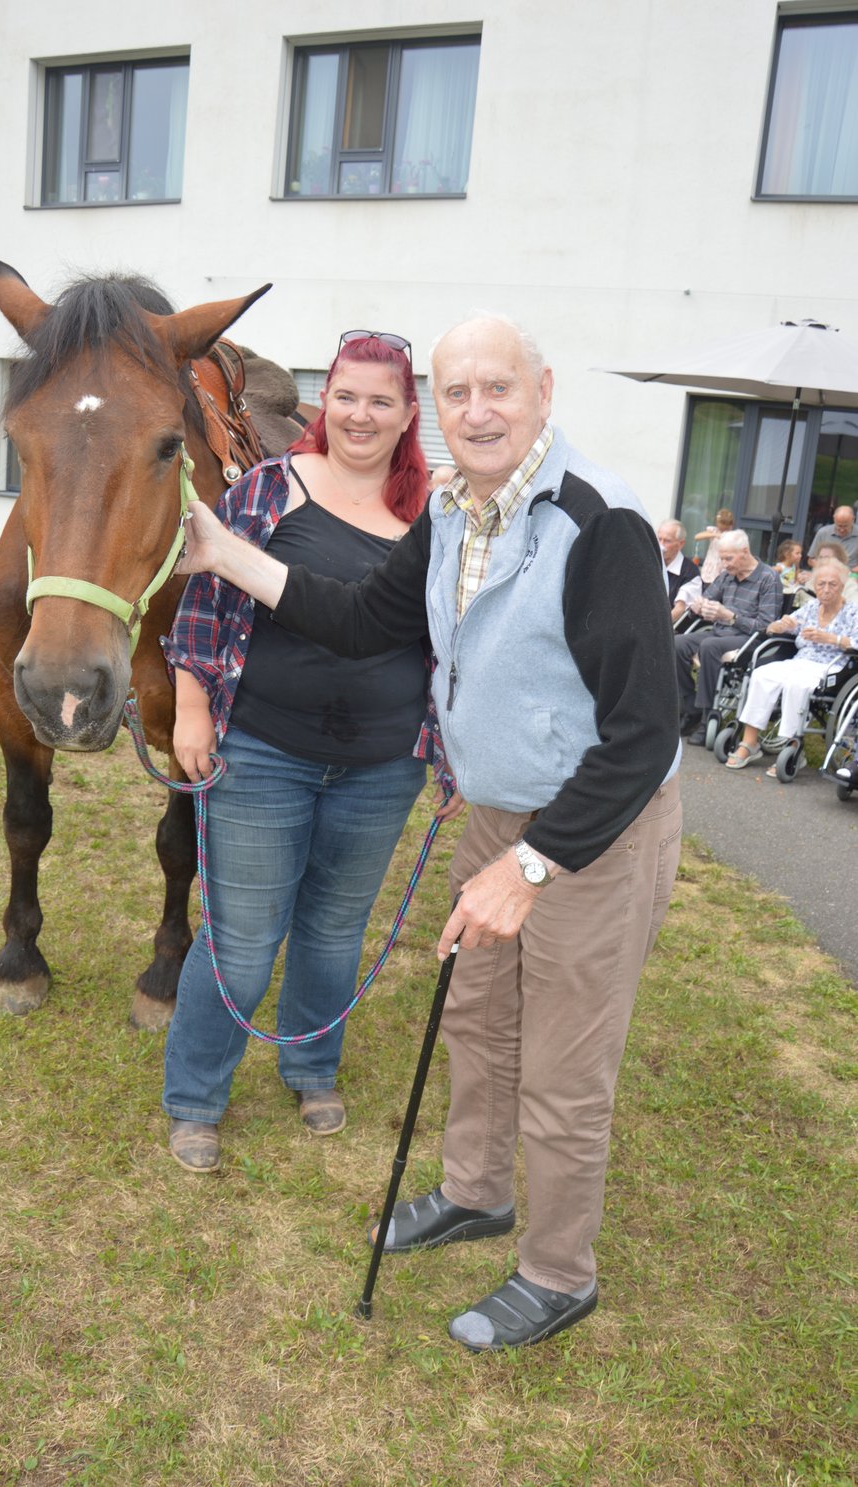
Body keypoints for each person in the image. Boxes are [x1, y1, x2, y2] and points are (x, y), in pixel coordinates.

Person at [175, 314, 682, 1352]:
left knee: (560, 1062)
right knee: (478, 1023)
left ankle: (554, 1271)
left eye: (497, 388)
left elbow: (641, 736)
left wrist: (532, 865)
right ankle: (473, 1191)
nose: (476, 410)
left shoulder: (600, 522)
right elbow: (363, 617)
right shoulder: (454, 510)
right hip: (497, 809)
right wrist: (224, 552)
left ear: (542, 390)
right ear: (434, 413)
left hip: (593, 825)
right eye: (456, 393)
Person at [161, 330, 460, 1175]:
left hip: (383, 762)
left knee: (333, 931)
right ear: (320, 402)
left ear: (409, 416)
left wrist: (451, 750)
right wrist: (191, 707)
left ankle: (311, 1065)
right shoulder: (267, 488)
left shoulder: (435, 513)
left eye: (381, 400)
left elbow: (456, 643)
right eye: (346, 396)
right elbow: (205, 603)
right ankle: (195, 1096)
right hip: (262, 749)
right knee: (243, 938)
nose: (360, 414)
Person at [724, 559, 858, 774]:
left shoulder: (853, 611)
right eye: (821, 583)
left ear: (842, 586)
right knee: (761, 675)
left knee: (796, 684)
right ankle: (750, 743)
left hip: (832, 668)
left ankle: (792, 745)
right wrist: (780, 625)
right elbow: (781, 627)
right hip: (800, 661)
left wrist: (832, 639)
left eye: (832, 584)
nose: (825, 589)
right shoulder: (811, 607)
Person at [674, 530, 782, 744]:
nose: (724, 564)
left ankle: (708, 717)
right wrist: (699, 605)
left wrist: (731, 617)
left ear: (744, 552)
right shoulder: (727, 576)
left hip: (750, 639)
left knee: (709, 646)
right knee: (676, 643)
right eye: (722, 558)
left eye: (728, 558)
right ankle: (690, 705)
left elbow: (766, 625)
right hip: (720, 632)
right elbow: (706, 599)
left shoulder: (768, 578)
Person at [658, 518, 701, 620]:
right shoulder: (653, 563)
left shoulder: (690, 572)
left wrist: (657, 629)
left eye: (667, 541)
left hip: (671, 629)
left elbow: (679, 609)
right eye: (659, 539)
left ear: (681, 544)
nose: (661, 545)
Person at [803, 538, 858, 604]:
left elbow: (854, 607)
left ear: (839, 561)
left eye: (826, 558)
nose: (822, 561)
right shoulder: (812, 581)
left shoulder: (849, 584)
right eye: (820, 558)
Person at [694, 507, 735, 584]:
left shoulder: (731, 535)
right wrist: (714, 535)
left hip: (722, 565)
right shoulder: (714, 531)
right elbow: (697, 537)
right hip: (711, 562)